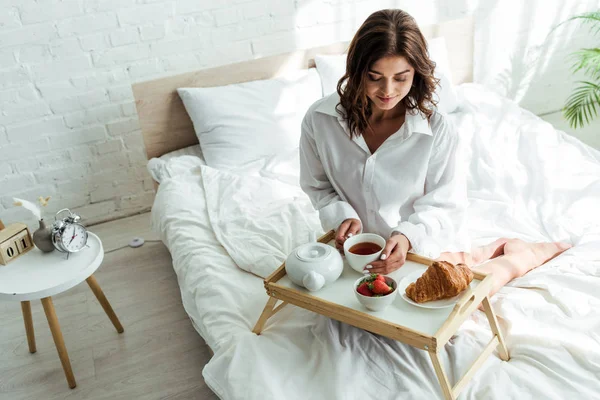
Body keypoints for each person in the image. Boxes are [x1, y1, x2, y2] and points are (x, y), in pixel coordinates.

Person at [299, 9, 571, 296]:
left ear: (416, 73)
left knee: (459, 294)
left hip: (421, 245)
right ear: (356, 72)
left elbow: (444, 204)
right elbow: (318, 186)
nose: (387, 90)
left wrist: (406, 237)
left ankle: (523, 253)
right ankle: (486, 250)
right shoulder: (320, 120)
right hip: (355, 252)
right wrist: (341, 217)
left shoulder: (437, 130)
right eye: (374, 77)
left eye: (400, 78)